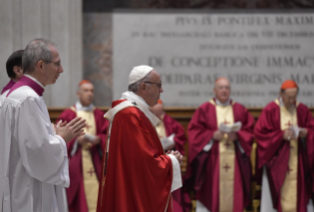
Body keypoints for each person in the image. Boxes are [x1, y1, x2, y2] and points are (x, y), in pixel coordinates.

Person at [0, 38, 87, 212]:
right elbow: (38, 153)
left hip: (18, 183)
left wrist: (52, 134)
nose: (61, 70)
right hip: (29, 191)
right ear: (41, 65)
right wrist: (62, 138)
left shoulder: (19, 95)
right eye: (57, 64)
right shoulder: (28, 99)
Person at [97, 65, 183, 212]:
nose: (161, 90)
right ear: (144, 87)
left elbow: (138, 159)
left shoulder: (130, 112)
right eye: (158, 85)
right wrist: (171, 160)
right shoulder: (131, 115)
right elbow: (144, 164)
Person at [187, 77, 254, 212]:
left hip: (235, 162)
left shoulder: (239, 109)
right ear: (215, 90)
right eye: (221, 88)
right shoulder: (205, 109)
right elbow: (194, 132)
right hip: (212, 161)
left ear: (230, 90)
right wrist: (211, 136)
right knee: (212, 193)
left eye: (227, 88)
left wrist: (238, 136)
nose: (224, 91)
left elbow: (250, 131)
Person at [255, 80, 314, 212]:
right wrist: (281, 136)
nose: (291, 100)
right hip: (276, 165)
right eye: (289, 97)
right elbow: (260, 134)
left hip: (298, 163)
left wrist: (306, 133)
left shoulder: (301, 109)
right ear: (280, 94)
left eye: (294, 97)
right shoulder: (270, 110)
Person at [57, 80, 109, 212]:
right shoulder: (68, 114)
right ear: (78, 93)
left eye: (91, 91)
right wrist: (75, 142)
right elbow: (58, 139)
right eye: (86, 91)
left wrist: (99, 140)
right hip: (76, 163)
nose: (89, 94)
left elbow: (107, 135)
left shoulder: (99, 114)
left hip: (95, 159)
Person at [150, 99, 188, 212]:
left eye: (159, 113)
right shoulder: (144, 122)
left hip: (168, 164)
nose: (158, 116)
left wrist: (173, 142)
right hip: (152, 165)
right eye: (155, 114)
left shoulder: (170, 122)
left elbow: (181, 136)